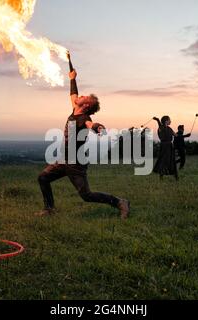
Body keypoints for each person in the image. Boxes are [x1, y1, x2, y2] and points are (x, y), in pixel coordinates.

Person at [36, 68, 130, 219]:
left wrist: (98, 127)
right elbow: (73, 94)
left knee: (86, 195)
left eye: (84, 97)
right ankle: (49, 209)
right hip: (64, 159)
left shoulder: (83, 118)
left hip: (76, 162)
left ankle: (120, 202)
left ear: (86, 106)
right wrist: (73, 78)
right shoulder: (75, 109)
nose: (80, 96)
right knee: (43, 178)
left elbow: (89, 124)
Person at [153, 116, 178, 180]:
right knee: (163, 160)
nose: (170, 121)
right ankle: (161, 176)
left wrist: (185, 135)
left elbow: (176, 135)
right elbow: (161, 126)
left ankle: (176, 176)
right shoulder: (161, 128)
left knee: (172, 160)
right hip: (164, 146)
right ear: (166, 121)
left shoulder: (170, 128)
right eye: (169, 120)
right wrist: (157, 120)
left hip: (170, 146)